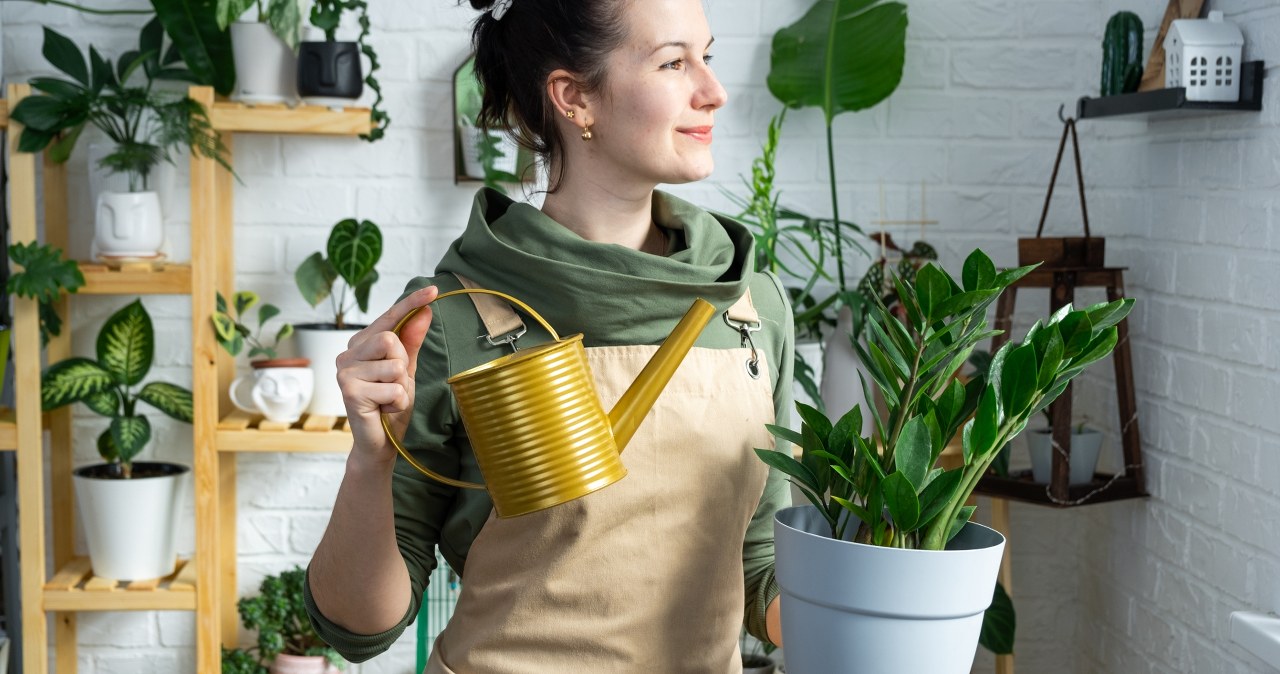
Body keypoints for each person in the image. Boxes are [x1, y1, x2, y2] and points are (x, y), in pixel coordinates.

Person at [304, 0, 792, 671]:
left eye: (707, 57)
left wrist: (886, 602)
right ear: (574, 98)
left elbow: (759, 562)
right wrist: (370, 460)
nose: (714, 91)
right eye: (674, 62)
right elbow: (360, 630)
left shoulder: (750, 308)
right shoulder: (452, 318)